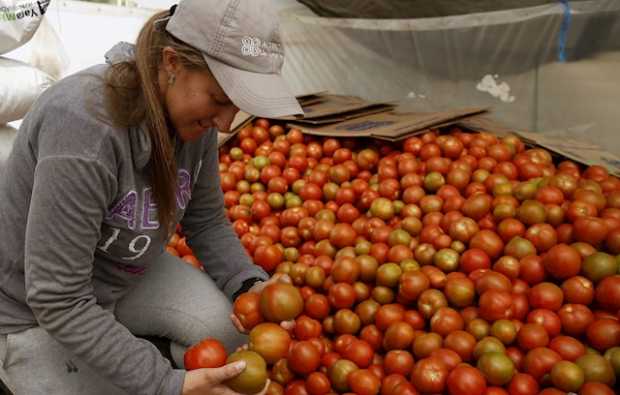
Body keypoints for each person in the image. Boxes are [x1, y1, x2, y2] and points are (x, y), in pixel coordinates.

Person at [0, 0, 302, 394]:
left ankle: (134, 349)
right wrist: (165, 383)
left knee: (228, 339)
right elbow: (59, 299)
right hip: (33, 310)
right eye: (219, 98)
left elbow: (206, 220)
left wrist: (248, 285)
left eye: (236, 105)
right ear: (173, 63)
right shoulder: (83, 127)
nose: (226, 123)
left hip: (119, 278)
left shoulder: (193, 121)